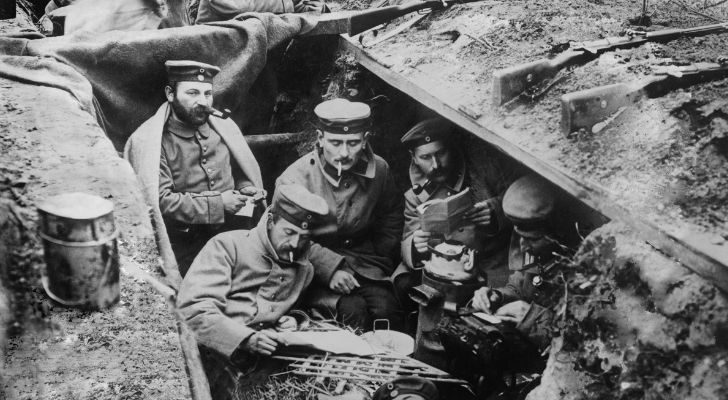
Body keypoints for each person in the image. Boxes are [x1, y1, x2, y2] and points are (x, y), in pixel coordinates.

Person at [124, 60, 265, 276]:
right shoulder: (151, 142)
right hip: (187, 243)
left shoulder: (223, 129)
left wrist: (245, 188)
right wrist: (218, 203)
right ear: (170, 94)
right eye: (192, 93)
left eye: (207, 94)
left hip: (234, 228)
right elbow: (161, 201)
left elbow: (240, 173)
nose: (203, 102)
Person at [276, 98, 404, 332]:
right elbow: (283, 238)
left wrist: (383, 257)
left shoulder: (380, 170)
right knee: (351, 311)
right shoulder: (296, 178)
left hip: (365, 263)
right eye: (335, 142)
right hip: (308, 267)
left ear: (365, 140)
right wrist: (330, 269)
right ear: (320, 138)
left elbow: (391, 215)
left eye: (353, 143)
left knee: (387, 310)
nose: (344, 153)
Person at [393, 118, 515, 315]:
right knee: (406, 285)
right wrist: (415, 246)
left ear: (452, 148)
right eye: (425, 157)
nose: (436, 165)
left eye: (441, 153)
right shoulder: (415, 196)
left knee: (494, 304)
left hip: (488, 261)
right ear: (413, 158)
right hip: (442, 265)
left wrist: (496, 211)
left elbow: (523, 196)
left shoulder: (484, 169)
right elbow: (408, 238)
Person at [472, 174, 574, 351]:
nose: (522, 246)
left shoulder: (587, 270)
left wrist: (533, 318)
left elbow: (587, 342)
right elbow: (521, 287)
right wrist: (497, 296)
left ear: (557, 233)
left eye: (532, 239)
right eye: (518, 236)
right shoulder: (541, 254)